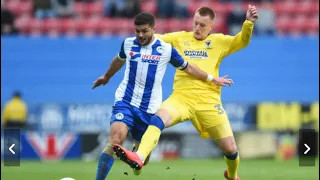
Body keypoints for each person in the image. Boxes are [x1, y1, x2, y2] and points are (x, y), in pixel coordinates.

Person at [113, 5, 259, 180]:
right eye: (195, 23)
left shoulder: (219, 42)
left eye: (202, 25)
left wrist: (248, 23)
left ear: (211, 27)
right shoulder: (180, 38)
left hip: (208, 102)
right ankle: (139, 157)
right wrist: (142, 35)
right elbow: (155, 38)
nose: (197, 28)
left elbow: (242, 40)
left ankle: (232, 175)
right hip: (181, 99)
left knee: (231, 149)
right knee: (158, 118)